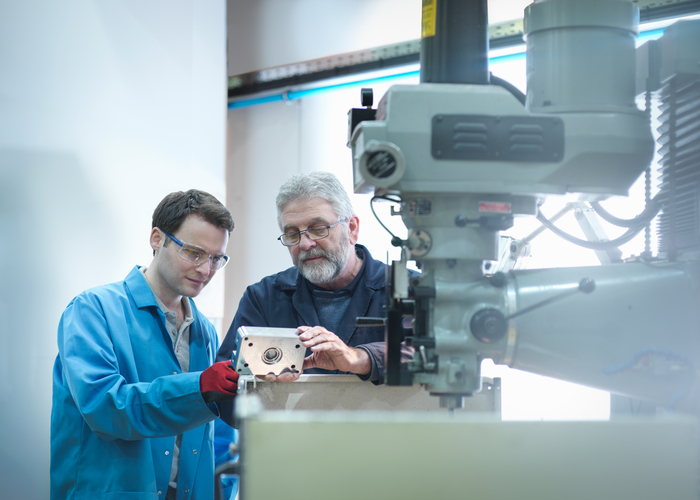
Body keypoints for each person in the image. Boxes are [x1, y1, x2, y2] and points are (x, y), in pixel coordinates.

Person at [50, 189, 240, 500]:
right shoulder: (92, 310)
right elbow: (105, 408)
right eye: (193, 252)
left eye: (216, 258)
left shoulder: (204, 331)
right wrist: (198, 388)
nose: (206, 270)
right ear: (156, 239)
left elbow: (215, 435)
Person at [216, 171, 413, 383]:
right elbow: (228, 385)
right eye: (292, 234)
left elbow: (438, 353)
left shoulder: (408, 288)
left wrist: (359, 358)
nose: (305, 244)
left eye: (318, 229)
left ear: (352, 229)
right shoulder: (263, 298)